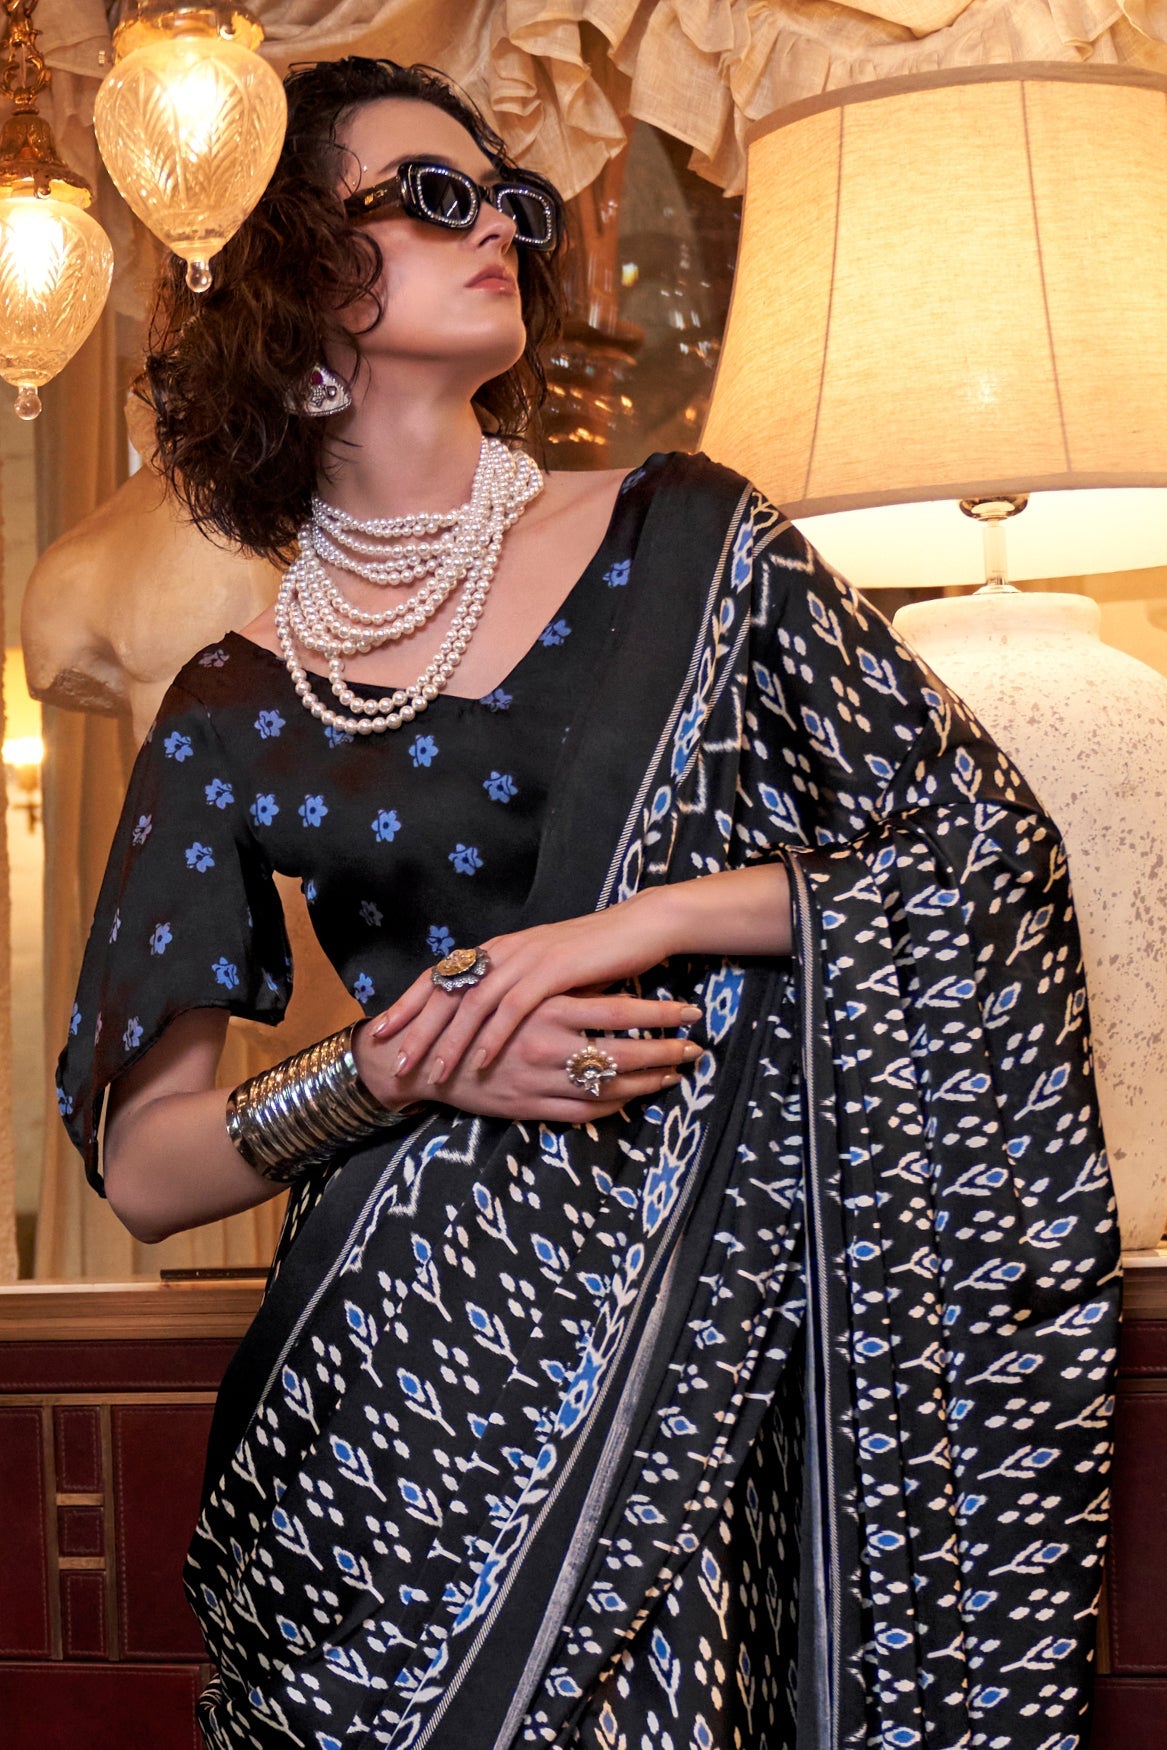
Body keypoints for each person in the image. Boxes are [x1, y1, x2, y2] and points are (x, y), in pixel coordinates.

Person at [56, 57, 1120, 1750]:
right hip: (378, 1416)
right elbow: (146, 1166)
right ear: (291, 276)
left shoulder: (692, 546)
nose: (499, 224)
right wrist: (392, 1068)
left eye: (512, 201)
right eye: (434, 196)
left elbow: (974, 861)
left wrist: (633, 925)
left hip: (676, 1377)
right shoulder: (235, 701)